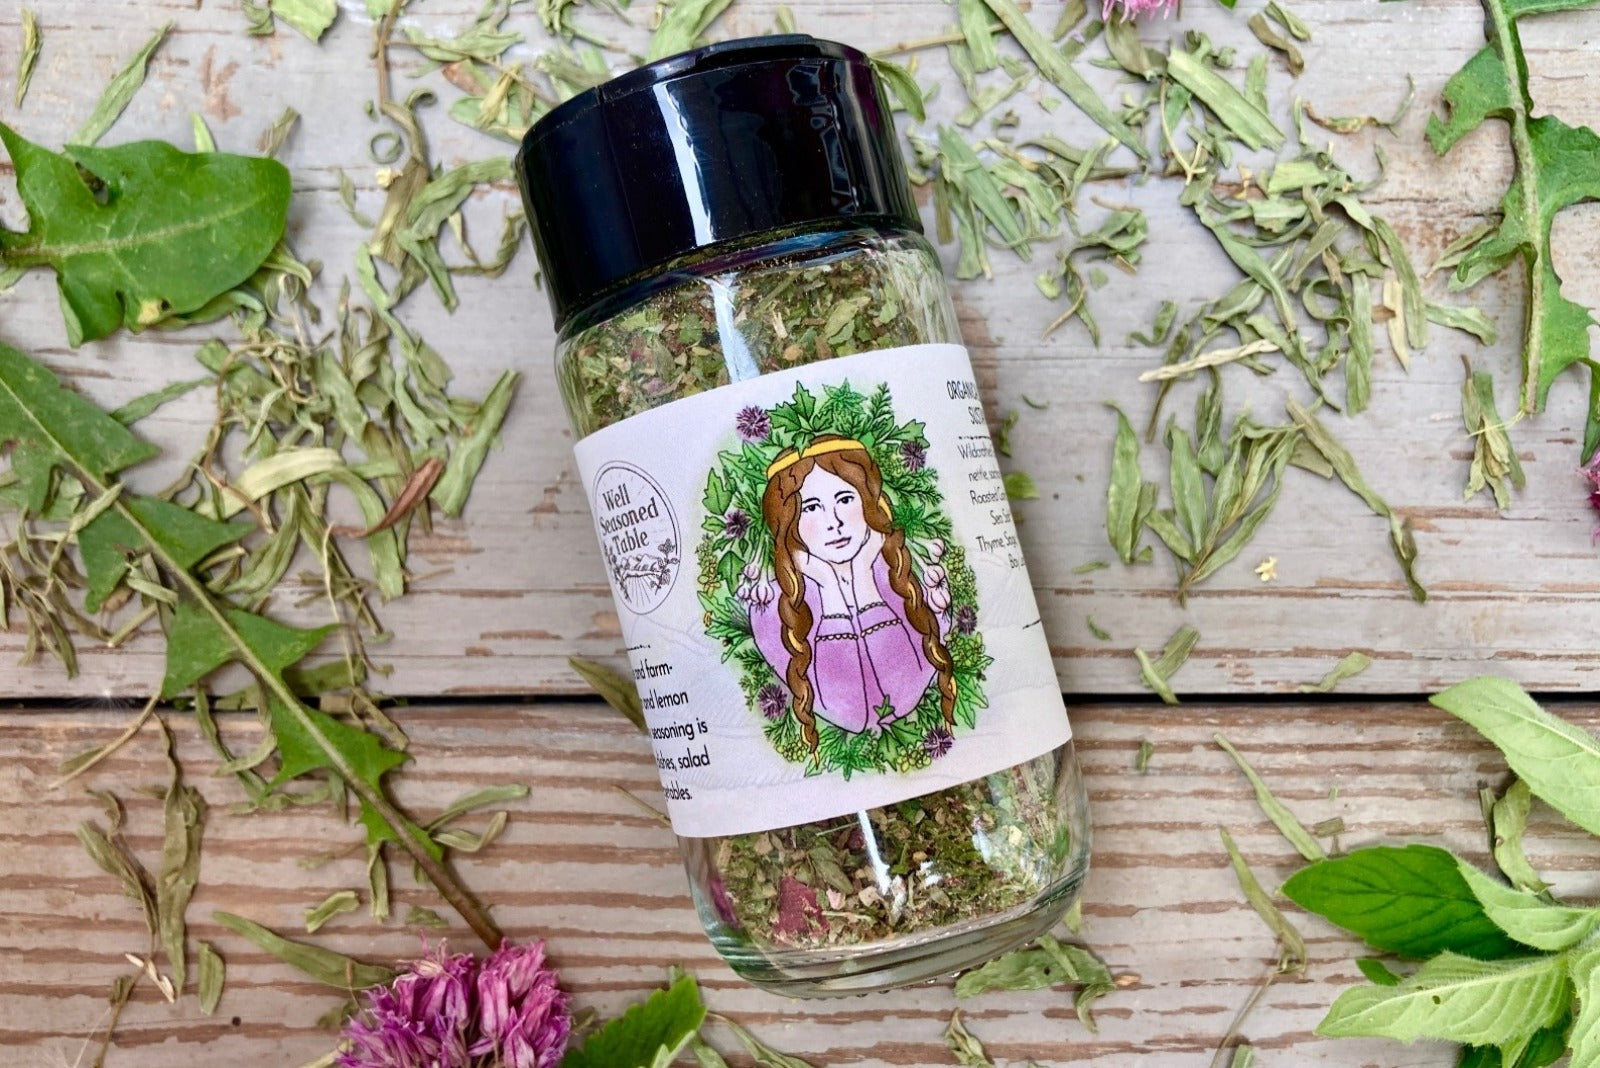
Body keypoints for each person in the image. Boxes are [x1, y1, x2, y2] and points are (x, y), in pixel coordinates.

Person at [740, 435, 956, 756]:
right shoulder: (773, 606)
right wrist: (829, 592)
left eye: (844, 499)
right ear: (789, 524)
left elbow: (901, 696)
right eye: (811, 507)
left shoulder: (909, 575)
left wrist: (867, 583)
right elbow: (852, 713)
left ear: (868, 502)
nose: (834, 522)